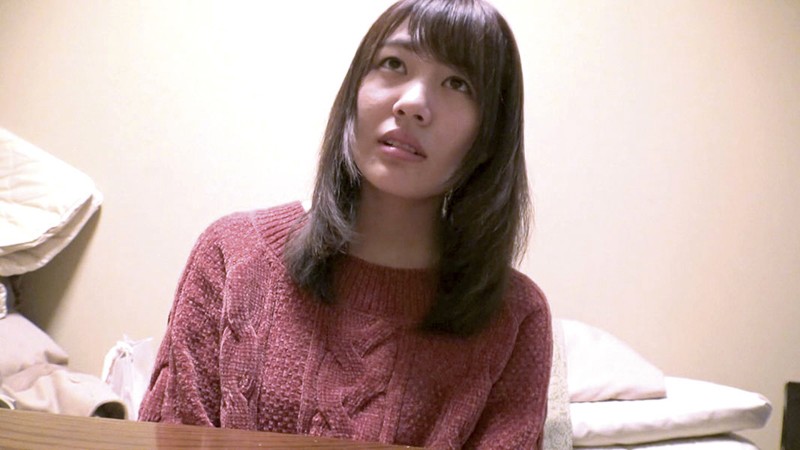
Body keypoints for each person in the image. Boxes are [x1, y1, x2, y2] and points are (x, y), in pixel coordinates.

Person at [138, 0, 552, 448]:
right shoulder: (232, 254)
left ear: (489, 136)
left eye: (458, 83)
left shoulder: (515, 317)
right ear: (354, 90)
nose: (413, 103)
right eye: (394, 64)